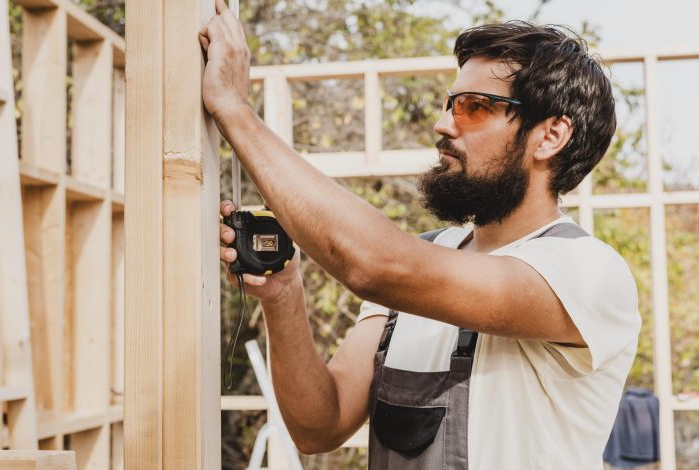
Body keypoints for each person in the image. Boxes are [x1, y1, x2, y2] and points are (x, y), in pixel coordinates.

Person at [199, 0, 642, 468]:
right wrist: (283, 296)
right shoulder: (429, 256)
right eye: (451, 102)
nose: (443, 123)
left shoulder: (588, 273)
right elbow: (318, 426)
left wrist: (234, 109)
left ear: (550, 136)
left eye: (474, 107)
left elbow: (376, 264)